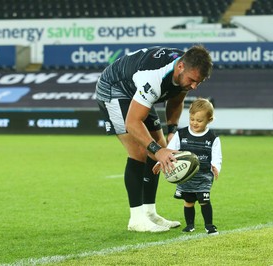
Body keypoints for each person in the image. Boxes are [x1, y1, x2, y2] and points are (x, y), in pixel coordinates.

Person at [95, 45, 213, 232]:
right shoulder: (155, 77)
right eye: (192, 81)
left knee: (160, 147)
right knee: (142, 150)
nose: (194, 86)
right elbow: (133, 123)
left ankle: (149, 213)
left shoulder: (186, 72)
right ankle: (136, 218)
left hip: (135, 90)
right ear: (180, 67)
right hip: (114, 88)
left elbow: (177, 100)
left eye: (198, 83)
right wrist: (158, 151)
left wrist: (172, 130)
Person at [153, 98, 222, 235]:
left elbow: (217, 155)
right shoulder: (181, 134)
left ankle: (209, 225)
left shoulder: (213, 137)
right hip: (185, 176)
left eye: (199, 120)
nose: (195, 123)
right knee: (188, 201)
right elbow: (170, 151)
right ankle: (190, 225)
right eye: (192, 119)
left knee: (204, 200)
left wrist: (215, 166)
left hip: (203, 176)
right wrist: (160, 163)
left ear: (210, 120)